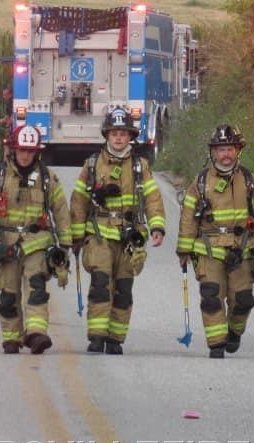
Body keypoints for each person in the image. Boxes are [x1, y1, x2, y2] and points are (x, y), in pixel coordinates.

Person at [176, 124, 254, 358]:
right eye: (221, 149)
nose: (226, 154)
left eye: (230, 149)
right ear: (213, 152)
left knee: (243, 300)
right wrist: (184, 249)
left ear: (238, 151)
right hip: (209, 251)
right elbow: (188, 217)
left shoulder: (249, 179)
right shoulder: (201, 182)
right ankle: (216, 345)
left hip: (242, 250)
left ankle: (234, 332)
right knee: (212, 296)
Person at [70, 107, 166, 355]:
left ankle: (115, 339)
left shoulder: (140, 166)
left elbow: (153, 198)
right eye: (114, 133)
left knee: (123, 289)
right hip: (99, 235)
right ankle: (96, 336)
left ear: (130, 137)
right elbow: (78, 201)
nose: (119, 138)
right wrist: (76, 237)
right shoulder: (92, 164)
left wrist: (157, 226)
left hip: (129, 237)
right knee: (101, 284)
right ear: (107, 135)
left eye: (123, 134)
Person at [0, 125, 72, 354]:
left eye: (30, 151)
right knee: (9, 294)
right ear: (13, 150)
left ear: (37, 152)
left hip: (37, 242)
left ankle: (36, 334)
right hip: (5, 243)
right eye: (21, 150)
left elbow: (61, 211)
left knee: (36, 288)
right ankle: (11, 337)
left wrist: (65, 244)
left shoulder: (47, 178)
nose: (25, 155)